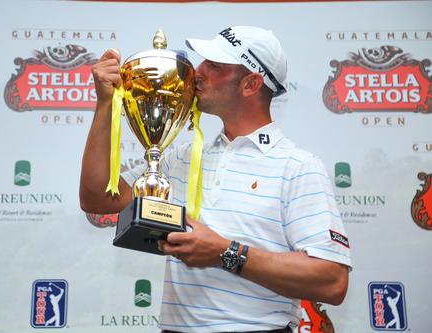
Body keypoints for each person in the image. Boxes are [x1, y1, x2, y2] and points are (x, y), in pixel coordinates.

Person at [80, 26, 351, 333]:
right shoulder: (179, 157)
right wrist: (105, 103)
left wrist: (226, 253)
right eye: (202, 62)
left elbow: (332, 280)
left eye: (214, 65)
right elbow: (96, 199)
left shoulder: (298, 167)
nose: (196, 72)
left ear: (250, 84)